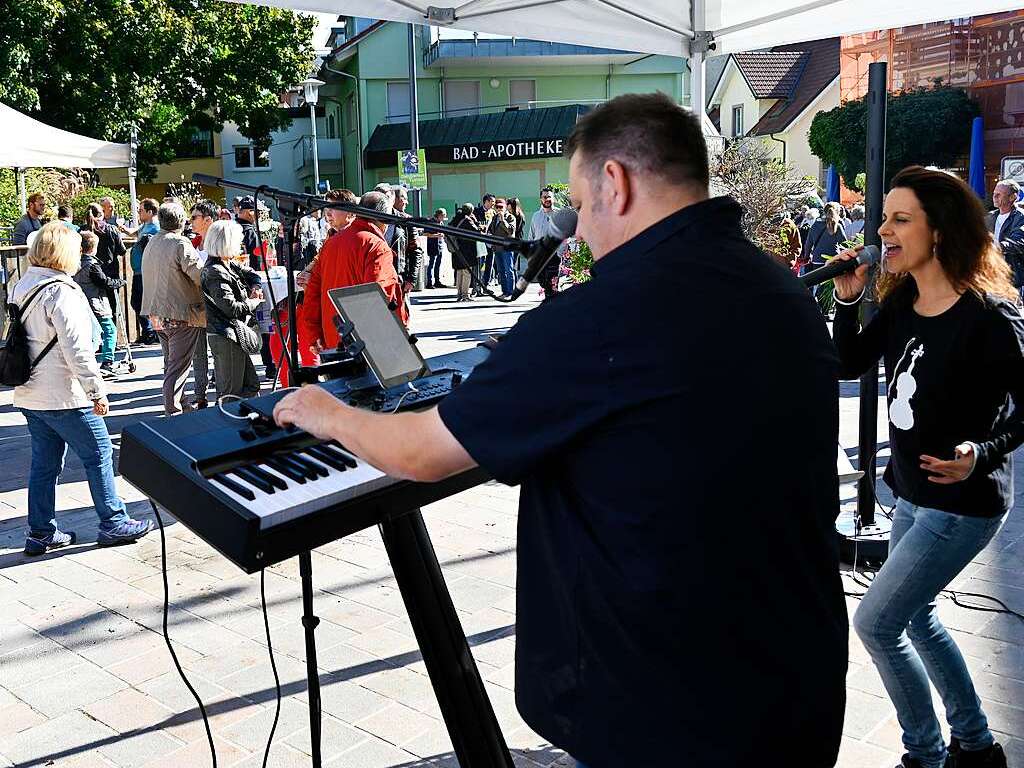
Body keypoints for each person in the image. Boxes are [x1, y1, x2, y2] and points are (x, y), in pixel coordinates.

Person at [272, 93, 848, 768]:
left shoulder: (603, 315)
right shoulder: (780, 290)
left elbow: (423, 453)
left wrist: (327, 413)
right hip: (794, 678)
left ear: (615, 182)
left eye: (576, 203)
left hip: (673, 710)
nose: (574, 232)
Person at [832, 166, 1020, 768]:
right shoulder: (904, 302)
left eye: (898, 219)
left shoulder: (988, 316)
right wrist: (847, 296)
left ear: (938, 230)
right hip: (910, 494)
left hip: (961, 505)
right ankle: (975, 745)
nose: (881, 229)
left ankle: (926, 755)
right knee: (916, 619)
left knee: (879, 622)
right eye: (884, 217)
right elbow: (850, 361)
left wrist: (981, 454)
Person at [13, 222, 153, 554]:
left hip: (31, 392)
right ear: (64, 252)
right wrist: (96, 391)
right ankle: (113, 521)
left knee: (44, 464)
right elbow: (76, 349)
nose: (79, 254)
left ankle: (40, 532)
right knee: (99, 453)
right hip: (63, 392)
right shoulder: (62, 290)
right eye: (75, 248)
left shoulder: (24, 284)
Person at [299, 191, 408, 356]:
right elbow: (379, 297)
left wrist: (314, 335)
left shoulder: (330, 244)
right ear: (384, 218)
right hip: (367, 344)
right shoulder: (376, 246)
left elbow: (312, 294)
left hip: (334, 339)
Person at [141, 202, 205, 416]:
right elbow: (198, 274)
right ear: (181, 221)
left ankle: (183, 405)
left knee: (171, 364)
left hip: (157, 313)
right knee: (177, 368)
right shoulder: (180, 243)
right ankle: (174, 413)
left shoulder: (153, 242)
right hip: (180, 313)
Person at [201, 220, 264, 400]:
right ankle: (227, 425)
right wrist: (253, 302)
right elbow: (230, 308)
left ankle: (242, 420)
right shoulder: (215, 271)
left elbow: (252, 275)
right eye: (237, 240)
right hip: (225, 335)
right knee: (229, 394)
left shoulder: (227, 264)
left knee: (251, 385)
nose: (240, 244)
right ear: (226, 242)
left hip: (233, 335)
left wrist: (256, 286)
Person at [73, 231, 125, 378]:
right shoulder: (92, 266)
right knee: (109, 330)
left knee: (86, 335)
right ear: (94, 248)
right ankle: (107, 362)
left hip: (81, 305)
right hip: (96, 303)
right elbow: (103, 282)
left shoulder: (74, 265)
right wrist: (118, 282)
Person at [188, 200, 219, 408]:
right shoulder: (193, 243)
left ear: (208, 220)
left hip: (216, 306)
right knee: (198, 353)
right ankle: (200, 396)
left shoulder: (220, 243)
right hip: (197, 305)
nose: (190, 221)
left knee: (218, 351)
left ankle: (223, 395)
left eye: (194, 217)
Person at [83, 202, 127, 331]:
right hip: (109, 272)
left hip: (88, 272)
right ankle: (111, 338)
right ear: (101, 214)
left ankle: (95, 339)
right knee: (111, 308)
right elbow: (122, 250)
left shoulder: (83, 231)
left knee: (90, 307)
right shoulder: (110, 229)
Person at [128, 198, 160, 345]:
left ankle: (152, 332)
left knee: (145, 302)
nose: (139, 212)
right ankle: (148, 331)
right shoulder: (144, 226)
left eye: (141, 210)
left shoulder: (155, 227)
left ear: (150, 211)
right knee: (137, 302)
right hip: (138, 271)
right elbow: (134, 234)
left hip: (147, 271)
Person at [987, 179, 1024, 293]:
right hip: (991, 275)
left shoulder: (1021, 217)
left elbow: (1017, 242)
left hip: (1012, 277)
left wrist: (993, 247)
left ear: (1012, 197)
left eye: (999, 194)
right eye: (994, 194)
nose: (995, 196)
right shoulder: (990, 217)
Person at [529, 187, 561, 299]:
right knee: (542, 281)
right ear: (540, 199)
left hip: (554, 255)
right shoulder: (535, 216)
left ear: (553, 199)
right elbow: (531, 236)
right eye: (544, 197)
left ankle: (552, 305)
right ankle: (551, 300)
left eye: (549, 197)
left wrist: (561, 252)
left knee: (551, 284)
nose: (547, 199)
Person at [449, 204, 482, 302]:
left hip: (456, 249)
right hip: (467, 250)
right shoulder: (468, 220)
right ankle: (465, 295)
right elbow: (477, 232)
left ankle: (459, 294)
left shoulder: (455, 219)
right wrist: (476, 221)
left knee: (459, 272)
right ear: (471, 211)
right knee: (467, 272)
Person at [487, 197, 518, 298]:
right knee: (501, 271)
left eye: (501, 207)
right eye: (497, 207)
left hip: (507, 248)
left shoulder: (510, 217)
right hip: (497, 248)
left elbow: (511, 231)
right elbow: (491, 230)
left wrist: (503, 220)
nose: (499, 209)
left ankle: (511, 292)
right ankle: (505, 291)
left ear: (505, 207)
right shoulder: (494, 218)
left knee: (509, 270)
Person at [424, 208, 448, 289]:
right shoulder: (431, 222)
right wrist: (437, 235)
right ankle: (429, 283)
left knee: (438, 264)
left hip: (440, 245)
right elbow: (426, 234)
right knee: (431, 264)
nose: (444, 219)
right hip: (432, 246)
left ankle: (437, 281)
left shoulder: (440, 223)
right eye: (443, 216)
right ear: (439, 215)